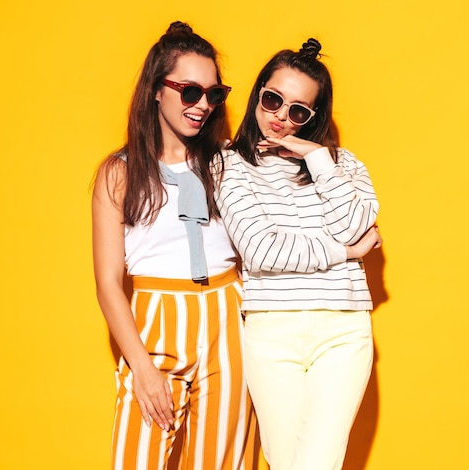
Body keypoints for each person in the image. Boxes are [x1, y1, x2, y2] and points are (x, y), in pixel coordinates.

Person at [92, 21, 257, 469]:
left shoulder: (228, 164)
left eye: (213, 94)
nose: (202, 105)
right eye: (189, 91)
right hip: (153, 323)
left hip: (227, 316)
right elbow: (108, 283)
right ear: (156, 90)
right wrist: (141, 368)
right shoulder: (119, 173)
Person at [214, 38, 382, 470]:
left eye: (297, 111)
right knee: (286, 462)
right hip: (272, 332)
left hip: (342, 331)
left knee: (316, 463)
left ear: (313, 116)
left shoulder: (344, 164)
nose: (280, 117)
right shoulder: (228, 164)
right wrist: (348, 253)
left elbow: (356, 224)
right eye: (272, 100)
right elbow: (261, 250)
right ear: (258, 95)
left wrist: (318, 158)